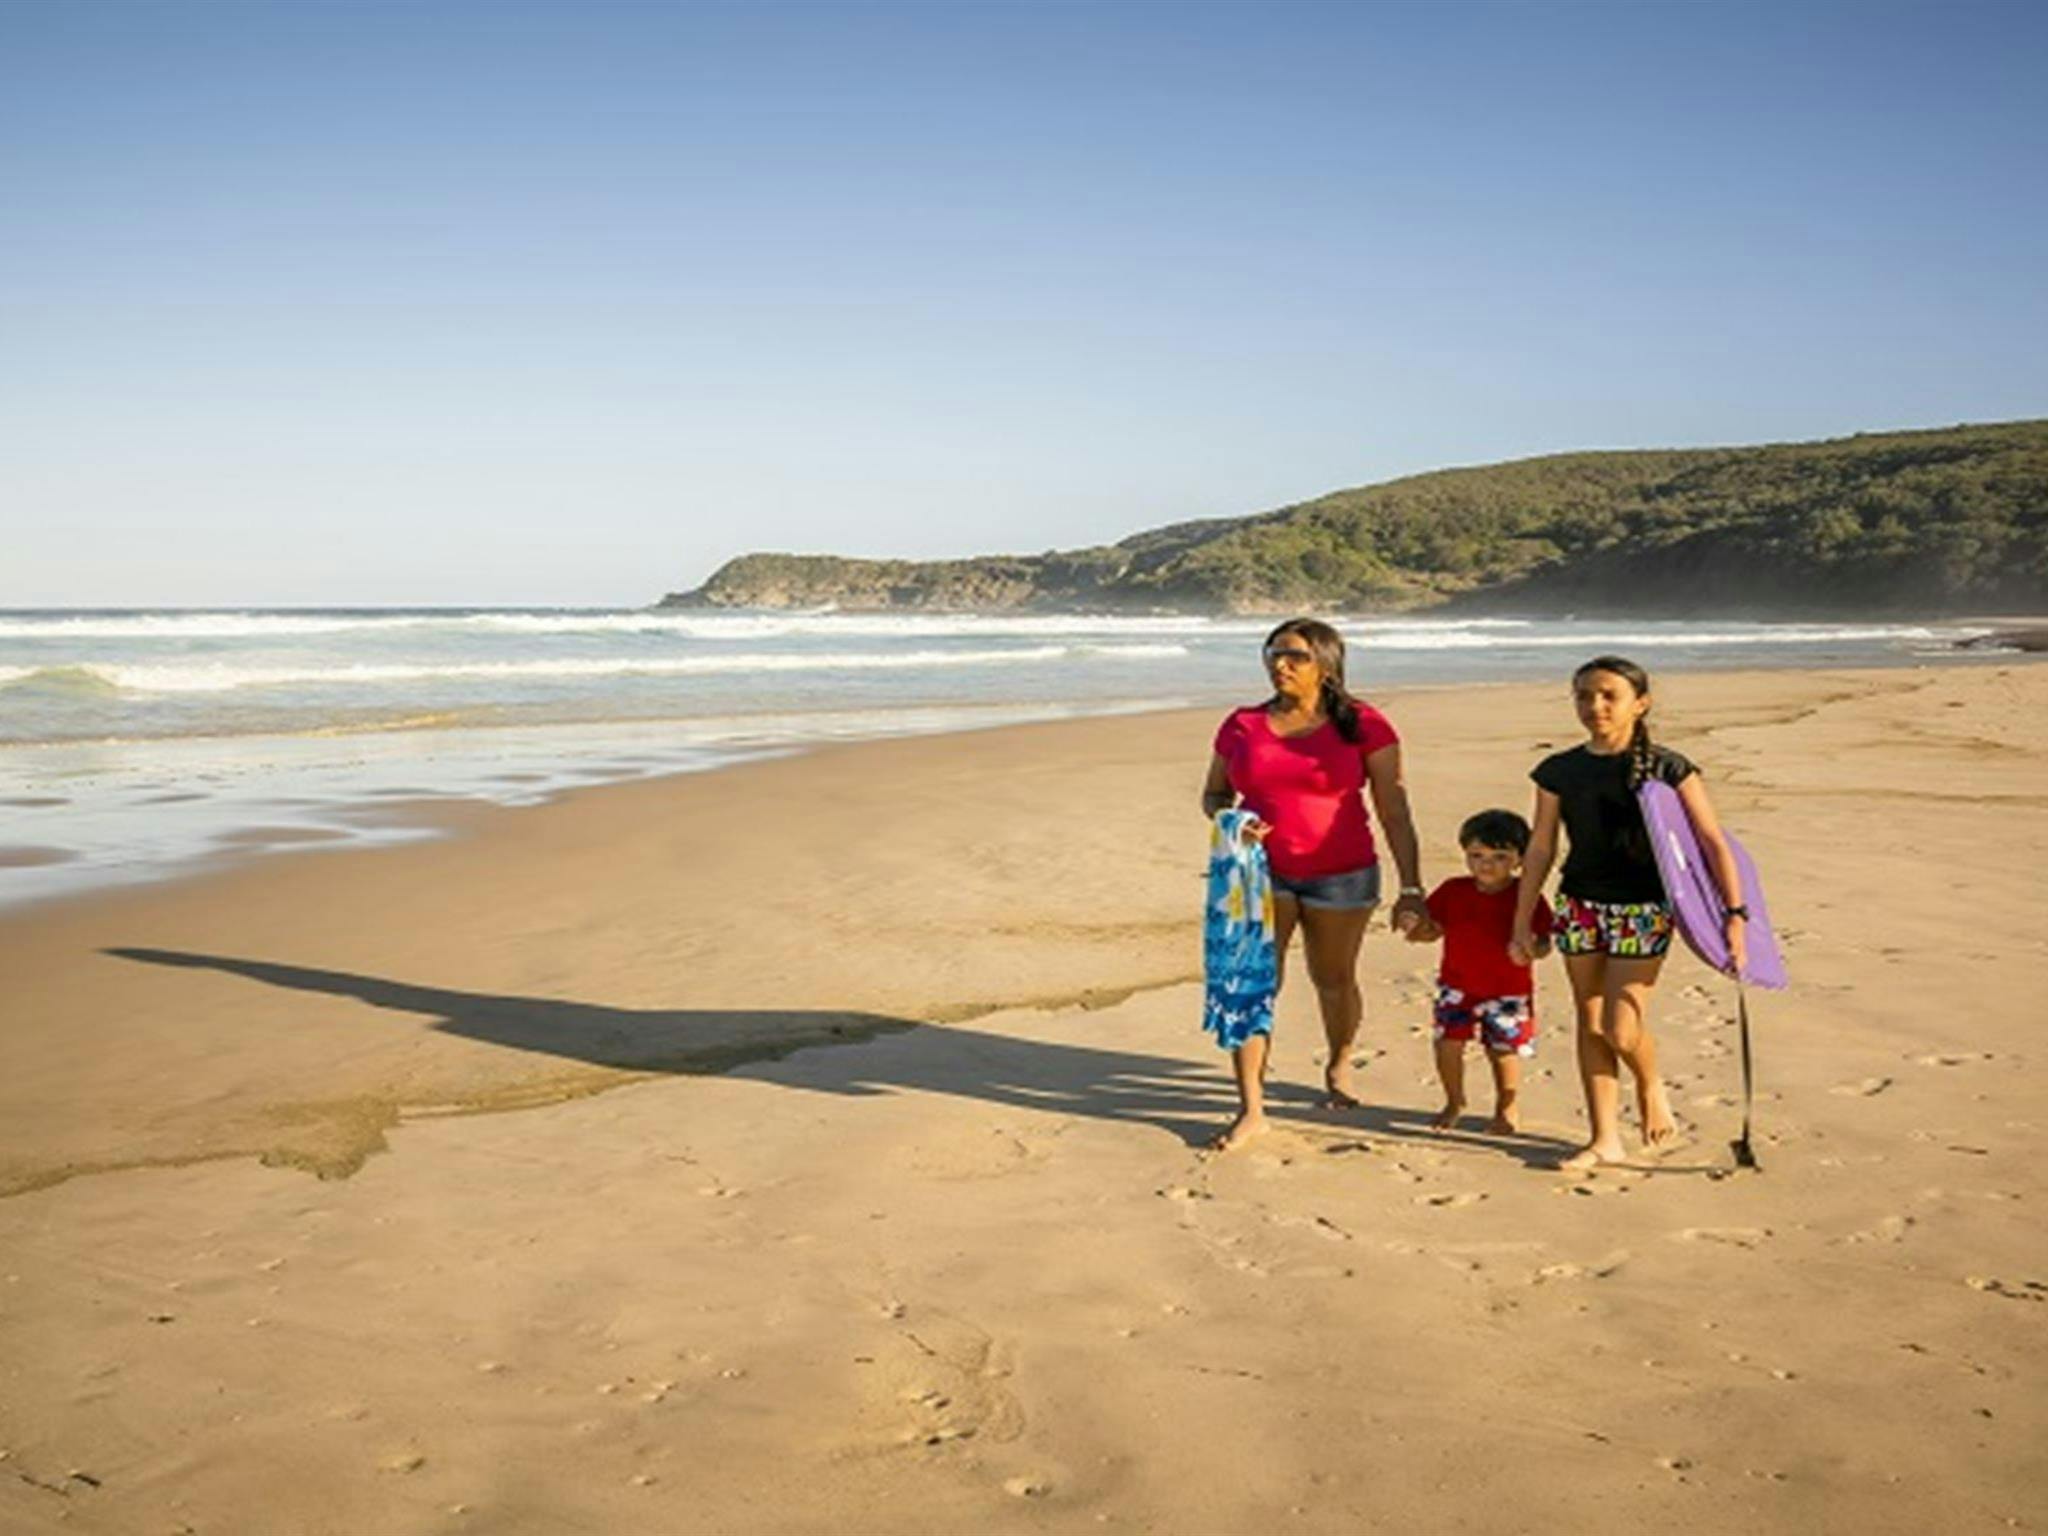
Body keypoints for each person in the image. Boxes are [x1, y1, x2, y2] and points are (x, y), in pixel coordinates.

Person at [1511, 656, 1748, 1171]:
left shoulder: (1669, 768)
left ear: (1640, 703)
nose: (1594, 705)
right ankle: (1603, 1138)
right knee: (1589, 1020)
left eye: (1607, 695)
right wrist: (1523, 918)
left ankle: (1648, 1081)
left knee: (1622, 1029)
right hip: (1580, 905)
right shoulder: (1558, 771)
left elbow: (1712, 841)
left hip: (1643, 909)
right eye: (1583, 696)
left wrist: (1735, 914)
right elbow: (1540, 848)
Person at [1200, 618, 1426, 1151]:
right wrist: (1232, 822)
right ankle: (1251, 1108)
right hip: (1257, 875)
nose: (1279, 663)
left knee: (1334, 979)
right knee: (1251, 985)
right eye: (1274, 653)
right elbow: (1213, 795)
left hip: (1343, 876)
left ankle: (1340, 1063)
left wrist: (1411, 887)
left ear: (1326, 665)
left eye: (1294, 656)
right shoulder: (1242, 725)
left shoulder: (1365, 724)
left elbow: (1394, 810)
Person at [1404, 808, 1552, 1134]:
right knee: (1447, 1045)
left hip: (1508, 991)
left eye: (1500, 856)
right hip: (1457, 987)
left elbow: (1544, 942)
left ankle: (1506, 1109)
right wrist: (1416, 926)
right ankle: (1454, 1101)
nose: (1487, 864)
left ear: (1519, 859)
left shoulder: (1526, 897)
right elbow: (1430, 931)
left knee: (1502, 1051)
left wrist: (1529, 948)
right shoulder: (1453, 890)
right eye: (1477, 855)